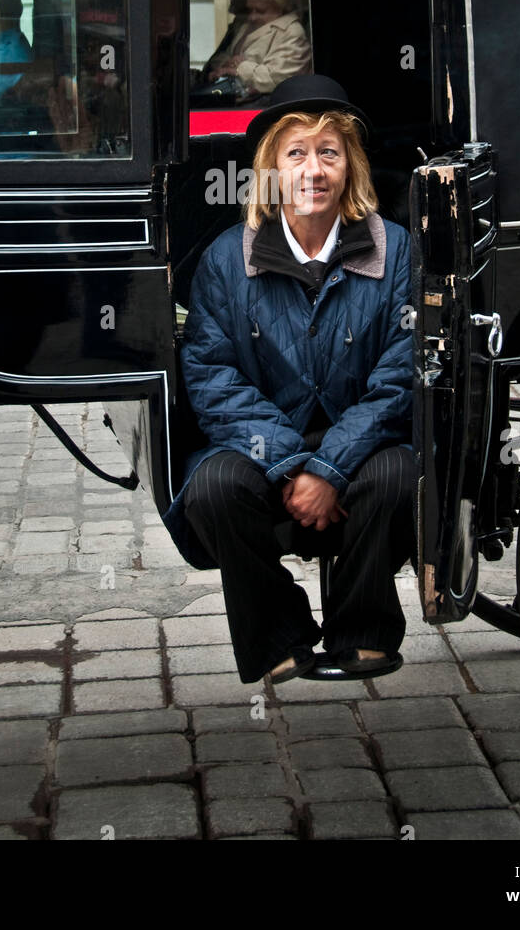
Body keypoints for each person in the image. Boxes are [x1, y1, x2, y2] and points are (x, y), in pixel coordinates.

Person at [163, 74, 418, 684]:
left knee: (398, 476)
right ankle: (279, 633)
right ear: (271, 169)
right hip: (261, 445)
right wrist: (289, 465)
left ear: (350, 166)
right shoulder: (229, 256)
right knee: (212, 489)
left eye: (329, 152)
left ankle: (363, 632)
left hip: (361, 444)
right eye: (295, 153)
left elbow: (401, 374)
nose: (313, 169)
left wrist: (329, 468)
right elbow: (211, 374)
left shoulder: (396, 248)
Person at [202, 0, 311, 97]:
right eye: (250, 10)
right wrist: (227, 65)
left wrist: (239, 68)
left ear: (279, 6)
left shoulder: (292, 32)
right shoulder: (246, 25)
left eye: (261, 11)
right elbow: (222, 57)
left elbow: (279, 78)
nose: (252, 17)